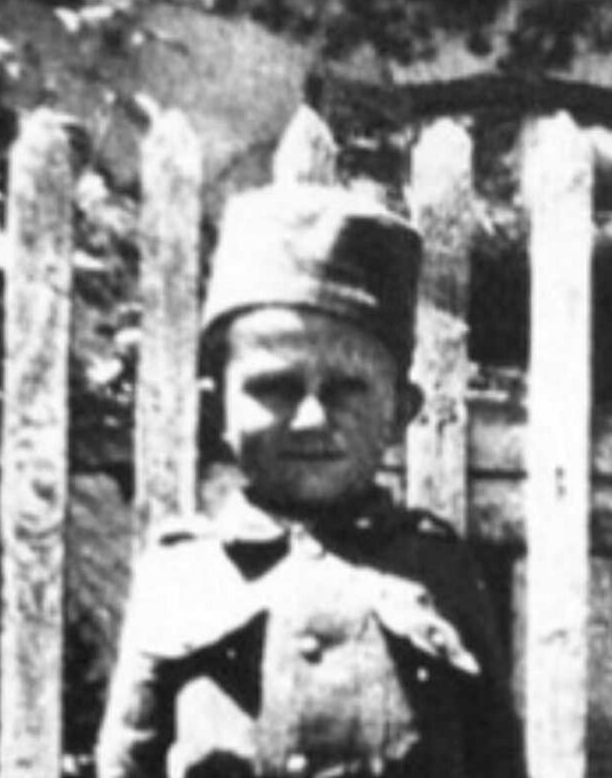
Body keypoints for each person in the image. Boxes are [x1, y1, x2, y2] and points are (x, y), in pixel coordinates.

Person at [95, 183, 523, 778]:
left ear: (400, 412)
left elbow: (497, 762)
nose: (312, 418)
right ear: (217, 409)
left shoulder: (438, 570)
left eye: (347, 389)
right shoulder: (180, 576)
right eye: (275, 387)